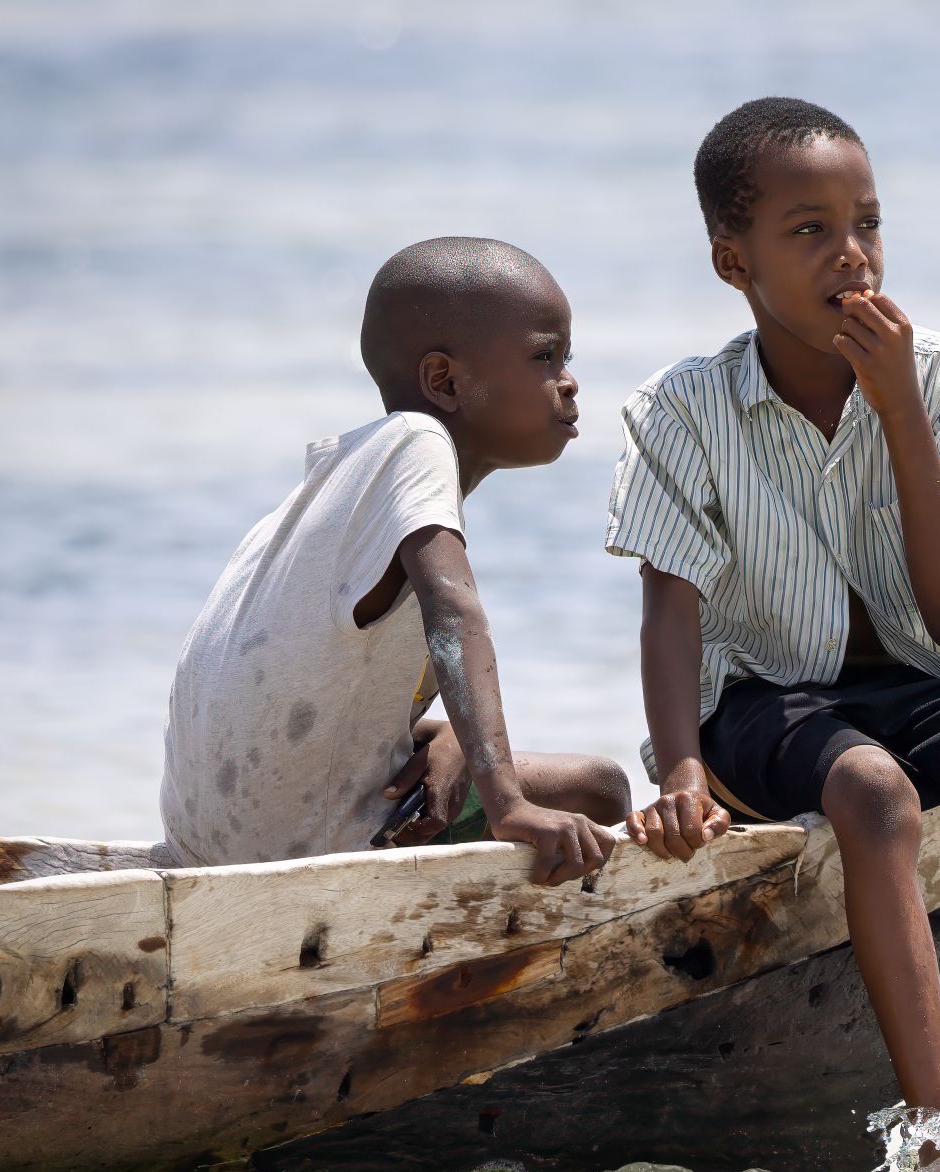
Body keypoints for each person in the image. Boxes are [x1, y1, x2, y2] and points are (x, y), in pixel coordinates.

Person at [606, 99, 940, 1172]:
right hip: (758, 698)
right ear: (730, 259)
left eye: (869, 224)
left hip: (913, 674)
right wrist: (684, 766)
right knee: (875, 795)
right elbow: (671, 610)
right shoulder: (683, 409)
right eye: (810, 230)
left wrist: (900, 415)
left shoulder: (938, 379)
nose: (853, 254)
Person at [161, 236, 629, 883]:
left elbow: (320, 688)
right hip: (302, 853)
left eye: (565, 356)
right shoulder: (418, 443)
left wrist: (450, 736)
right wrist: (507, 800)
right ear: (444, 381)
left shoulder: (330, 487)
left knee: (506, 766)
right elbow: (454, 614)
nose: (569, 381)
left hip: (204, 843)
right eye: (544, 356)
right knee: (596, 789)